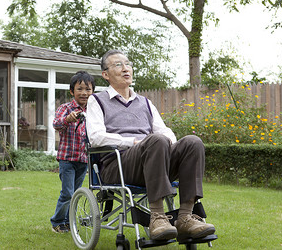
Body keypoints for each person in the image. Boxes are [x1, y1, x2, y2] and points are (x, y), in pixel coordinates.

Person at [86, 49, 216, 240]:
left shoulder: (144, 102)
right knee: (156, 140)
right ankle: (157, 217)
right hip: (119, 164)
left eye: (128, 64)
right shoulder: (96, 100)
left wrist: (172, 144)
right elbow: (96, 137)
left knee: (192, 143)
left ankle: (185, 217)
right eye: (118, 65)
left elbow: (163, 130)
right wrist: (132, 142)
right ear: (105, 74)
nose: (125, 69)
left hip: (153, 157)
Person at [50, 70, 95, 233]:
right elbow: (56, 124)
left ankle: (68, 222)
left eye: (88, 89)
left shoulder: (93, 111)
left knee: (75, 194)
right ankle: (57, 222)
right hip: (67, 159)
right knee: (68, 193)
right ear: (72, 91)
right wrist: (67, 119)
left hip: (83, 160)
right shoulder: (66, 108)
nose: (84, 93)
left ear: (93, 91)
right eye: (80, 89)